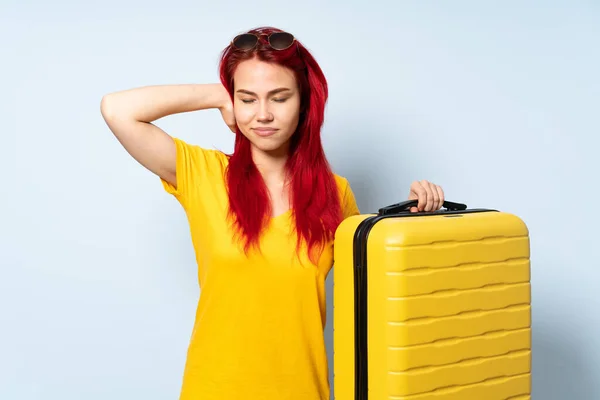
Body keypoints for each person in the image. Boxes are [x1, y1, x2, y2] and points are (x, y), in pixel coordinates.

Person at [100, 26, 446, 400]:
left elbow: (370, 295)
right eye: (248, 99)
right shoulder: (204, 175)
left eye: (279, 98)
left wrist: (410, 220)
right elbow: (117, 110)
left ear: (305, 102)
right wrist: (218, 94)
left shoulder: (336, 193)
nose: (262, 115)